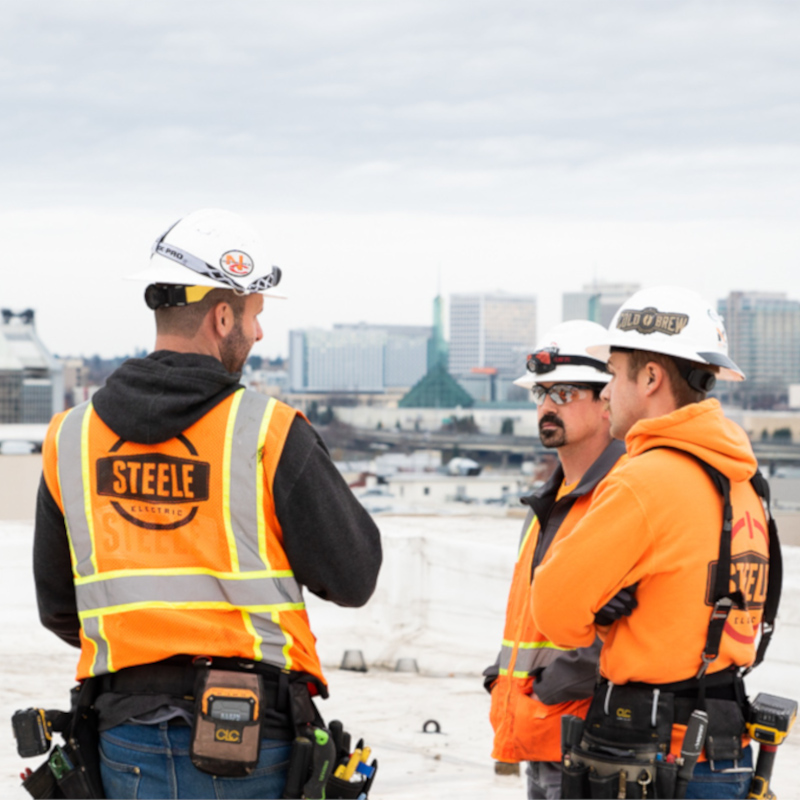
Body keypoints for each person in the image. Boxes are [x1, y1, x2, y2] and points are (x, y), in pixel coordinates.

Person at [33, 208, 383, 799]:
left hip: (122, 733)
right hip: (248, 737)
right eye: (255, 315)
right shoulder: (267, 431)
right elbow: (353, 577)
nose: (260, 333)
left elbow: (59, 608)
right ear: (224, 317)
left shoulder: (71, 438)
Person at [533, 286, 777, 799]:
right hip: (726, 753)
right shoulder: (743, 481)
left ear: (650, 378)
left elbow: (553, 613)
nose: (604, 393)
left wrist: (601, 613)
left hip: (650, 754)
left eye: (614, 374)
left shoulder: (643, 481)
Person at [484, 321, 627, 800]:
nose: (546, 406)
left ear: (608, 398)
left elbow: (633, 616)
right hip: (542, 735)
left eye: (563, 392)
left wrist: (554, 685)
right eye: (541, 393)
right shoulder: (549, 502)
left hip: (590, 739)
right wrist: (502, 675)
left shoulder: (623, 493)